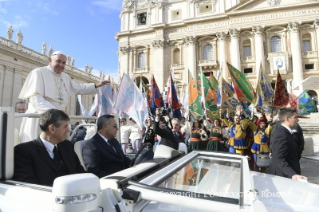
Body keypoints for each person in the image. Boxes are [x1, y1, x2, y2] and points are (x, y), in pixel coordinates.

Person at [18, 51, 109, 143]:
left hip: (60, 122)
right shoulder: (38, 72)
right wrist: (55, 112)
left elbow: (79, 88)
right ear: (50, 60)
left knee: (59, 151)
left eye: (64, 63)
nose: (61, 65)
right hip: (40, 119)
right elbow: (35, 98)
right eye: (58, 61)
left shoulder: (66, 77)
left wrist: (96, 85)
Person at [13, 109, 85, 186]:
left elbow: (80, 173)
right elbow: (28, 185)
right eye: (65, 126)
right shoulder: (24, 151)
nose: (68, 130)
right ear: (52, 129)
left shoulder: (67, 146)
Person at [267, 108, 307, 180]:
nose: (298, 120)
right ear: (287, 119)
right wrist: (293, 174)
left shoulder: (285, 132)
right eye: (295, 117)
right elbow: (279, 158)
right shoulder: (281, 134)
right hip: (281, 176)